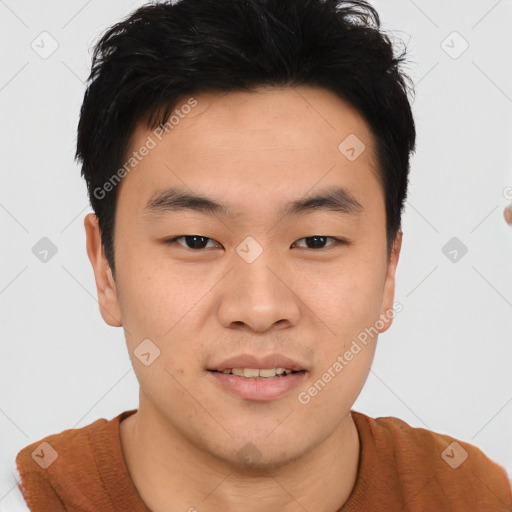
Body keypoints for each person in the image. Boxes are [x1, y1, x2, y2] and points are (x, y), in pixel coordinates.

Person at [13, 0, 512, 510]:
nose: (259, 309)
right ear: (105, 270)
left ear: (389, 269)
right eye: (195, 240)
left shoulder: (476, 495)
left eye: (316, 241)